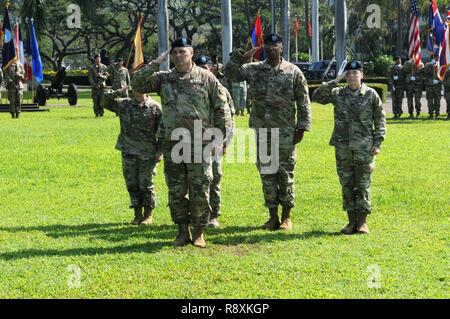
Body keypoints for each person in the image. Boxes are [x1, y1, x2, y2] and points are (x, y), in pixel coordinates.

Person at [132, 37, 232, 248]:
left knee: (200, 188)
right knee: (176, 190)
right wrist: (156, 62)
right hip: (173, 143)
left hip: (200, 143)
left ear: (191, 53)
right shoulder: (164, 79)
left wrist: (220, 139)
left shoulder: (207, 78)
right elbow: (137, 83)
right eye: (174, 52)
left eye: (182, 52)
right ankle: (181, 231)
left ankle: (199, 232)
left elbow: (221, 110)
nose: (178, 56)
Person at [225, 33, 312, 231]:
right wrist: (241, 56)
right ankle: (272, 216)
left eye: (276, 46)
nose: (272, 48)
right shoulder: (254, 69)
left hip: (285, 130)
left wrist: (302, 127)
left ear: (282, 48)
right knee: (267, 173)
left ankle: (287, 217)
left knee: (285, 172)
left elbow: (303, 101)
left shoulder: (293, 71)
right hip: (262, 130)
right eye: (269, 45)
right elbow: (230, 74)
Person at [311, 60, 387, 235]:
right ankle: (351, 222)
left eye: (355, 73)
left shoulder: (371, 94)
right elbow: (316, 96)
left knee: (363, 184)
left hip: (364, 147)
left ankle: (362, 223)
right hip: (343, 147)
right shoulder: (337, 93)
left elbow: (380, 121)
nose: (352, 76)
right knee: (346, 184)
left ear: (362, 75)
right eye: (349, 73)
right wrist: (335, 80)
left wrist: (377, 143)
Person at [101, 87, 162, 225]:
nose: (138, 90)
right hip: (128, 150)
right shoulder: (124, 104)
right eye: (134, 87)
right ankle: (137, 215)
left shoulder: (155, 108)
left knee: (146, 184)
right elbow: (103, 101)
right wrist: (119, 91)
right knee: (132, 184)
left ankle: (148, 215)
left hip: (148, 153)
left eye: (140, 86)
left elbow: (162, 131)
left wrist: (160, 152)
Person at [194, 54, 236, 228]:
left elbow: (229, 118)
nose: (204, 70)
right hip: (192, 140)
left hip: (214, 141)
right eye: (200, 67)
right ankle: (196, 213)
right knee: (195, 178)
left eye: (207, 67)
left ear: (210, 68)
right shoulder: (189, 89)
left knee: (215, 177)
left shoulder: (220, 89)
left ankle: (213, 215)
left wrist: (225, 142)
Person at [423, 54, 442, 119]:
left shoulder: (441, 65)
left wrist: (439, 81)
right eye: (436, 57)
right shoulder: (428, 64)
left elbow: (443, 76)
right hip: (429, 86)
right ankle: (431, 114)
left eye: (438, 57)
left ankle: (437, 113)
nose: (437, 58)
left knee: (437, 101)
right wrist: (431, 65)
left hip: (437, 86)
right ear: (433, 57)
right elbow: (425, 74)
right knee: (430, 101)